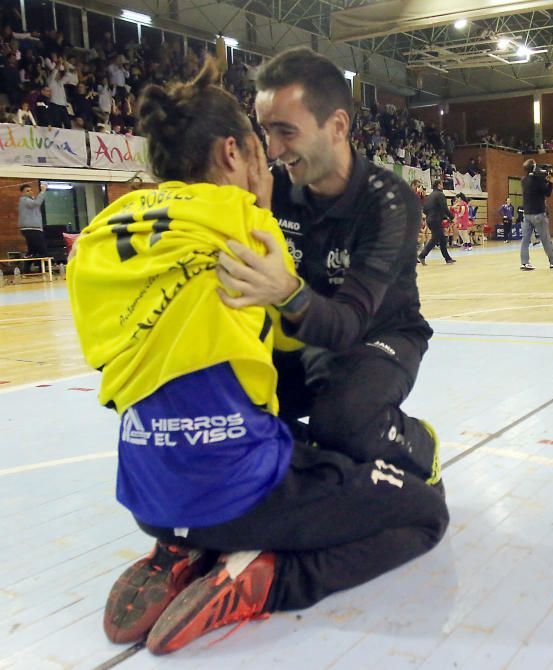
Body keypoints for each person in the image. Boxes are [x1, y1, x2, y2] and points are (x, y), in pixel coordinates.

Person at [69, 57, 448, 656]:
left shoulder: (101, 234)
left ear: (338, 127)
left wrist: (281, 292)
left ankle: (180, 543)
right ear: (231, 153)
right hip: (240, 482)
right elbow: (291, 330)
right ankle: (268, 578)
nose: (270, 153)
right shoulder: (249, 224)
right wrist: (267, 242)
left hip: (145, 489)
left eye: (283, 133)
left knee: (326, 410)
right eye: (260, 138)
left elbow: (337, 327)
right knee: (423, 511)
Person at [519, 159, 553, 270]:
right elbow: (547, 193)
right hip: (538, 213)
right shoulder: (538, 180)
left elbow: (537, 187)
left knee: (525, 240)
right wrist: (551, 180)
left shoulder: (523, 180)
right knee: (545, 239)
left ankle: (524, 262)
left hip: (526, 214)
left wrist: (545, 179)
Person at [418, 179, 456, 264]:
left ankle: (448, 259)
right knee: (435, 239)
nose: (443, 186)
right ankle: (422, 255)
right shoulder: (440, 194)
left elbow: (425, 210)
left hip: (430, 220)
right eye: (442, 184)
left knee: (442, 239)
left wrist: (441, 216)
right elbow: (444, 208)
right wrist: (452, 217)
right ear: (439, 185)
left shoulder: (430, 196)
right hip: (436, 220)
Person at [18, 182, 48, 259]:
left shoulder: (30, 200)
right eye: (27, 191)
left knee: (33, 251)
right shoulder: (24, 200)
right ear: (22, 193)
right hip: (31, 229)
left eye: (31, 190)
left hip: (34, 228)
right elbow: (37, 203)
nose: (30, 192)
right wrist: (43, 191)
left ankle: (29, 266)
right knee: (42, 250)